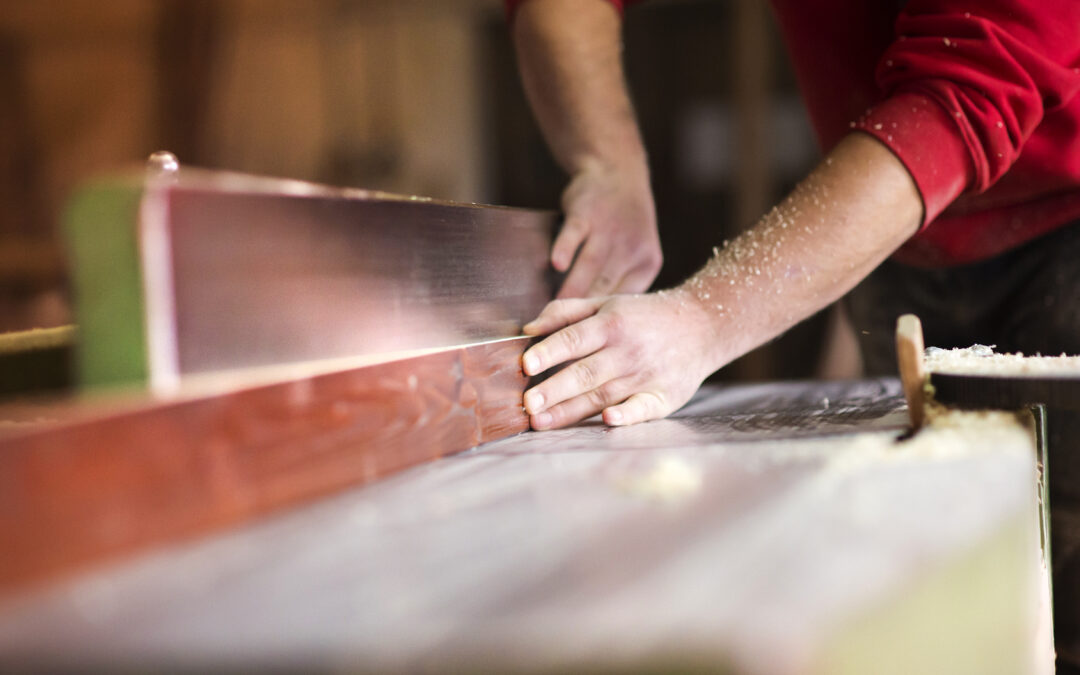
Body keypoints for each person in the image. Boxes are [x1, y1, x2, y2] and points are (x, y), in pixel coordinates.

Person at [505, 0, 1080, 670]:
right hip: (900, 236)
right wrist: (606, 163)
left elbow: (974, 83)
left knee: (1062, 607)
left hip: (1061, 212)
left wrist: (702, 320)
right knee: (934, 590)